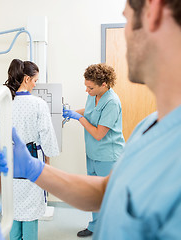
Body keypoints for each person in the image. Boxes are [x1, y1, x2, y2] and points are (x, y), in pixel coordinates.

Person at [0, 0, 181, 239]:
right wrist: (35, 169)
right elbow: (105, 191)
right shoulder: (150, 127)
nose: (125, 32)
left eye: (126, 19)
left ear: (154, 12)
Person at [63, 63, 125, 237]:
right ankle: (95, 226)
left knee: (109, 196)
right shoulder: (93, 95)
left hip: (108, 156)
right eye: (86, 86)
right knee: (94, 194)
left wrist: (79, 119)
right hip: (92, 154)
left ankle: (113, 230)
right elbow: (90, 111)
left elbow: (99, 134)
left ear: (103, 84)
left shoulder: (112, 102)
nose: (86, 90)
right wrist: (71, 112)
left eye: (90, 87)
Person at [4, 59, 59, 240]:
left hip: (9, 164)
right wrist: (49, 160)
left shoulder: (3, 102)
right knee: (29, 210)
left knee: (12, 209)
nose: (35, 84)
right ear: (26, 79)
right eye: (35, 80)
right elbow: (47, 136)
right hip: (31, 161)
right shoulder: (38, 104)